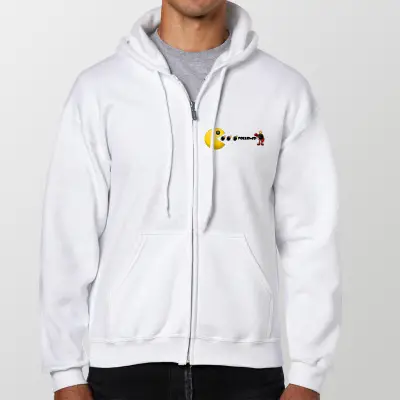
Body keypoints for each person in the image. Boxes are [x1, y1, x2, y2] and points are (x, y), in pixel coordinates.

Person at [39, 1, 341, 399]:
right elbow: (68, 234)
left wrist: (307, 374)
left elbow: (310, 238)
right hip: (123, 368)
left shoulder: (283, 92)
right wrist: (65, 372)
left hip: (247, 371)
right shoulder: (100, 91)